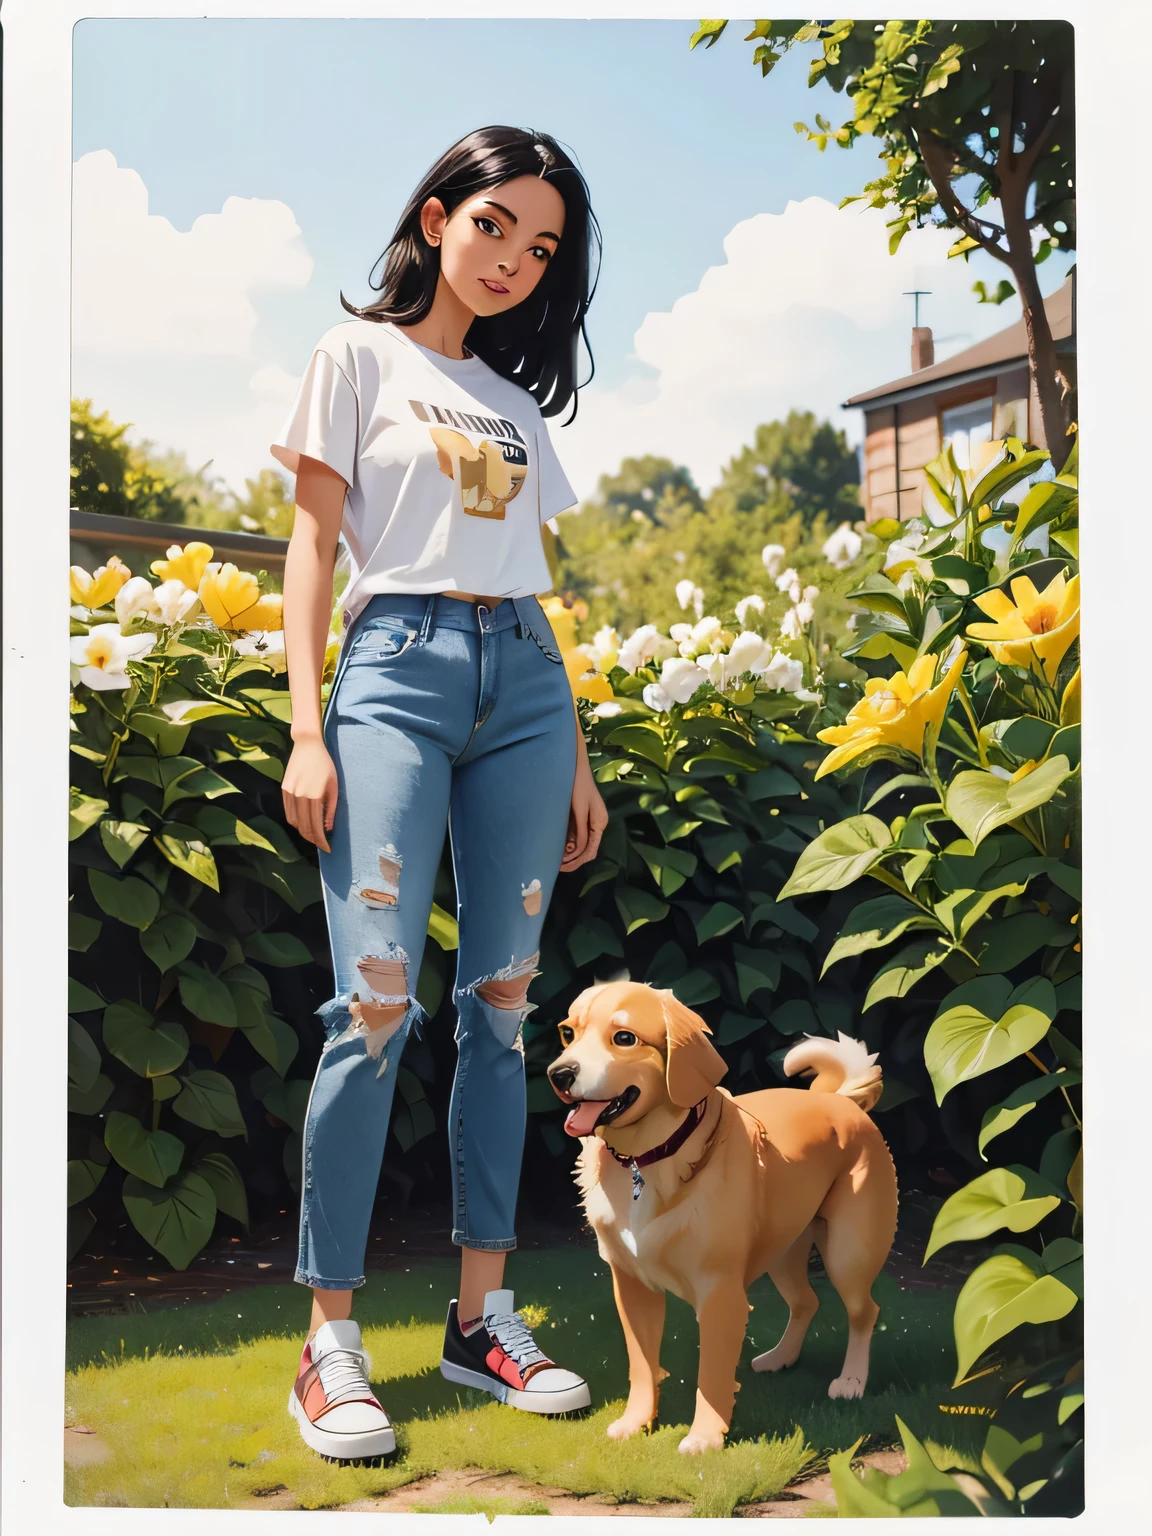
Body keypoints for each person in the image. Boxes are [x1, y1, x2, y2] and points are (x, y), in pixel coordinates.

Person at [270, 125, 608, 1462]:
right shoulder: (353, 357)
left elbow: (534, 582)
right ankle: (330, 1341)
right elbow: (308, 548)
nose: (515, 260)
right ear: (436, 212)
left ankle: (480, 1322)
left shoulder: (516, 408)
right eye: (496, 228)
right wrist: (308, 730)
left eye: (541, 249)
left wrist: (574, 751)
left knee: (507, 1007)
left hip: (523, 684)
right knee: (377, 999)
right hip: (394, 670)